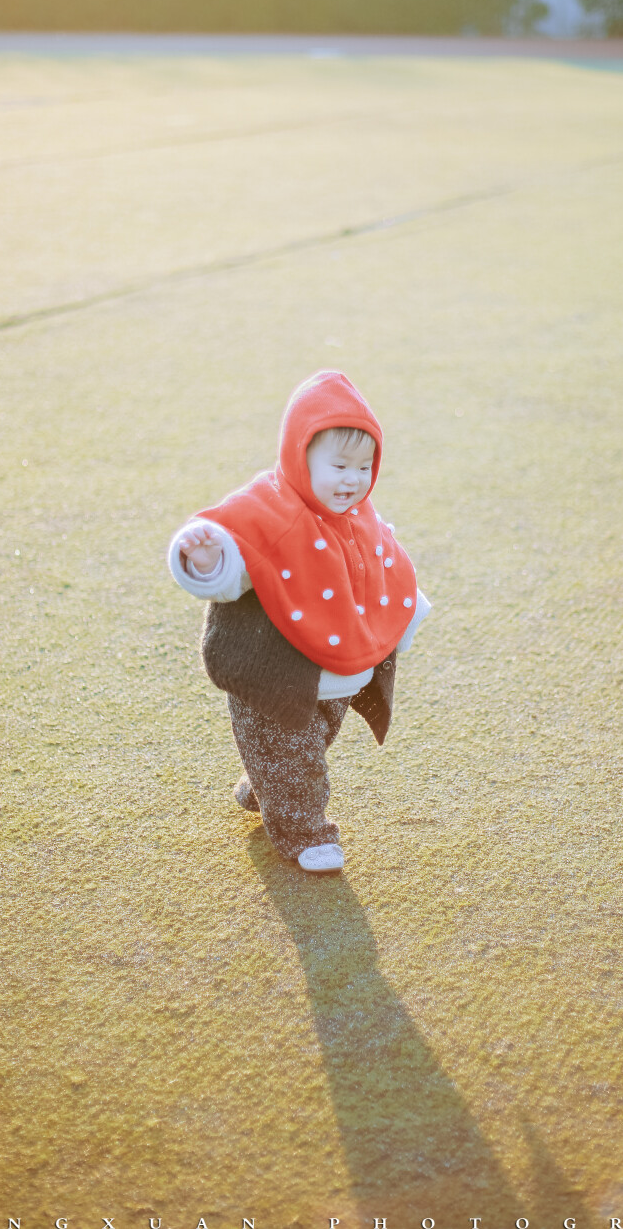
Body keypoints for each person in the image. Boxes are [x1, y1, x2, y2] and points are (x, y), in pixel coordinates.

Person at [168, 370, 430, 874]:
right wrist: (206, 559)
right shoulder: (268, 510)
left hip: (334, 676)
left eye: (363, 466)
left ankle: (267, 785)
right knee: (294, 750)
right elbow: (232, 559)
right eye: (338, 465)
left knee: (308, 742)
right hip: (273, 674)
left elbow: (385, 570)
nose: (352, 479)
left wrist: (410, 611)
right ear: (299, 454)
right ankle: (306, 832)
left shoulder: (358, 516)